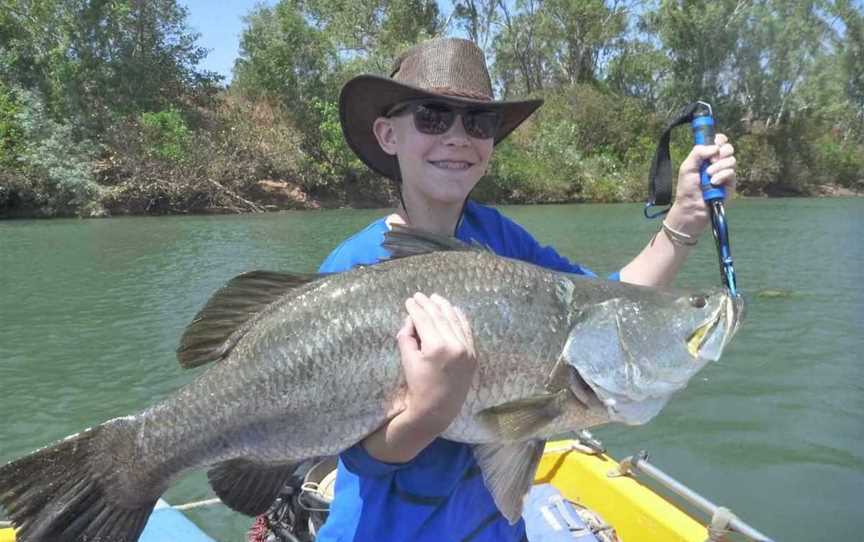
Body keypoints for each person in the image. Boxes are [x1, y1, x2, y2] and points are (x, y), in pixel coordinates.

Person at [311, 37, 736, 542]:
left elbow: (602, 304)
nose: (456, 136)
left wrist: (684, 215)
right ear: (387, 135)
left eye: (478, 122)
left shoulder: (498, 238)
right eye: (431, 117)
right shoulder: (351, 270)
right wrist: (430, 410)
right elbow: (361, 453)